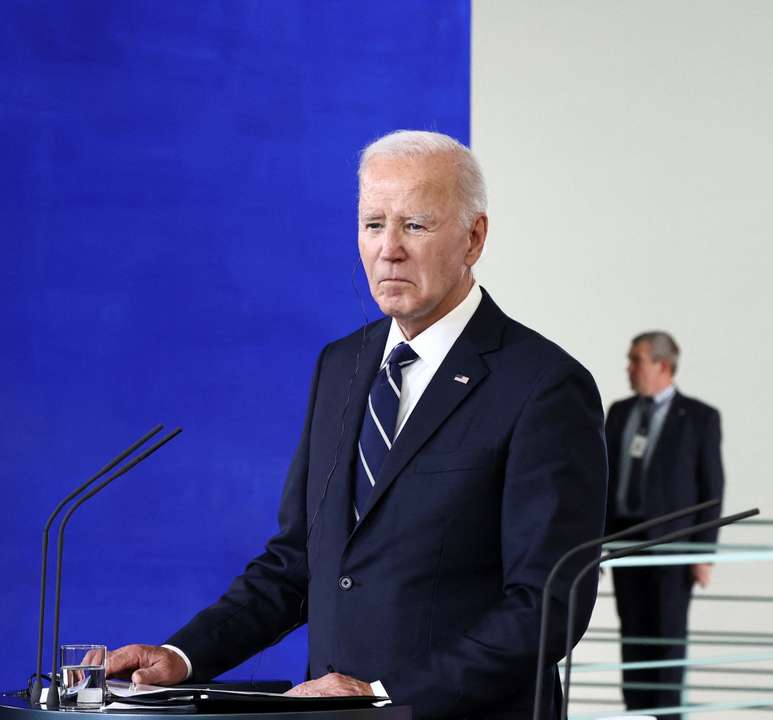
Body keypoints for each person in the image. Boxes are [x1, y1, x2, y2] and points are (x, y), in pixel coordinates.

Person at [106, 130, 608, 720]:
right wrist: (182, 656)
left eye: (415, 225)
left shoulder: (544, 384)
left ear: (474, 238)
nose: (389, 249)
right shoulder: (341, 365)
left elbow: (547, 605)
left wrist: (384, 694)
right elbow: (297, 563)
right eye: (374, 224)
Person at [603, 331, 724, 716]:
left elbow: (712, 490)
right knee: (632, 636)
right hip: (625, 543)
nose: (629, 368)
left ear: (664, 366)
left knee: (668, 639)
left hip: (673, 547)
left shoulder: (699, 418)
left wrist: (703, 553)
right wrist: (597, 542)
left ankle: (667, 715)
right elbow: (602, 477)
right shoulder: (619, 412)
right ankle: (637, 713)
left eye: (636, 360)